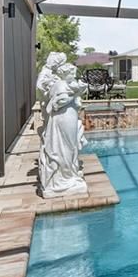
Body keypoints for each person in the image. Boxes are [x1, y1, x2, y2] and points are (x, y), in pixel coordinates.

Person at [40, 63, 88, 198]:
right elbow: (58, 103)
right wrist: (76, 93)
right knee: (67, 147)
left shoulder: (63, 85)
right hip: (64, 119)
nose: (74, 76)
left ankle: (69, 174)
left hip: (68, 117)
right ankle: (66, 176)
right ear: (64, 74)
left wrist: (78, 92)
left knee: (69, 146)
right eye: (72, 73)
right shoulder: (60, 85)